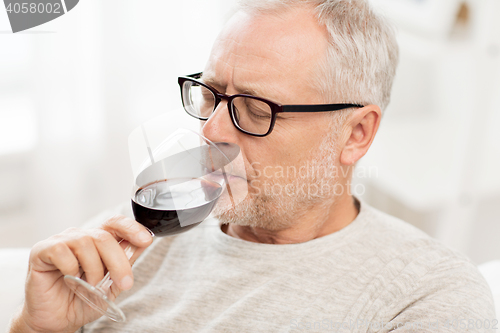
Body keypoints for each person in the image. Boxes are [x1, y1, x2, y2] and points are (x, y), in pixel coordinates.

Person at [9, 0, 496, 332]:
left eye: (256, 110)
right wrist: (34, 325)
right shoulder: (143, 233)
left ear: (356, 134)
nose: (212, 131)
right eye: (211, 94)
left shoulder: (424, 296)